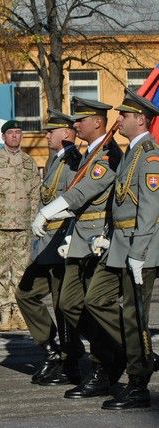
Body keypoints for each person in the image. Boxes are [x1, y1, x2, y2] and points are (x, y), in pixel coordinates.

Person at [31, 97, 124, 399]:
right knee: (69, 303)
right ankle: (116, 346)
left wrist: (48, 212)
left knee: (94, 304)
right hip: (80, 239)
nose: (75, 126)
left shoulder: (108, 154)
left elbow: (84, 192)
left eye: (80, 120)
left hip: (97, 241)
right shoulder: (90, 153)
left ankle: (104, 365)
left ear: (97, 122)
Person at [95, 90, 159, 409]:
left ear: (141, 120)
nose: (118, 119)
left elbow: (150, 207)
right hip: (120, 244)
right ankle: (137, 353)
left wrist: (138, 252)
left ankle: (138, 384)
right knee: (96, 298)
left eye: (124, 115)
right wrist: (107, 235)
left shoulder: (149, 156)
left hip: (139, 248)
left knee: (135, 315)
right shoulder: (131, 153)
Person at [15, 109, 84, 386]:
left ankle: (70, 362)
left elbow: (74, 201)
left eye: (50, 131)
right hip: (47, 244)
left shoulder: (73, 161)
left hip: (62, 243)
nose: (46, 136)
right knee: (25, 293)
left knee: (62, 304)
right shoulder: (56, 160)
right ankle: (53, 347)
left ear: (66, 133)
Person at [0, 120, 40, 331]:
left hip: (23, 227)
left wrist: (33, 222)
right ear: (3, 137)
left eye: (18, 132)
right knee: (1, 272)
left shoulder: (29, 163)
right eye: (10, 133)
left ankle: (19, 311)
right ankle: (4, 312)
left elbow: (35, 196)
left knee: (21, 273)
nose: (14, 136)